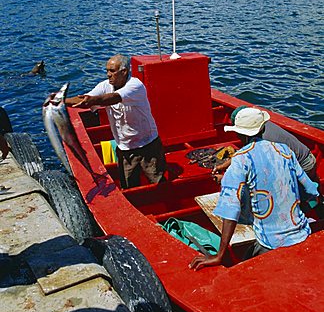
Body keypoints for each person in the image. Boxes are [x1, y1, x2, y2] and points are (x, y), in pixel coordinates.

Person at [190, 107, 319, 271]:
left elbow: (230, 211)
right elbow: (310, 190)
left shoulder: (240, 160)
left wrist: (219, 255)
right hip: (302, 233)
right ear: (263, 128)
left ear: (239, 134)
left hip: (270, 243)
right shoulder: (285, 150)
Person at [65, 54, 166, 189]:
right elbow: (85, 100)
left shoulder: (135, 86)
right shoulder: (105, 85)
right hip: (125, 148)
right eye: (107, 71)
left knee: (158, 183)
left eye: (112, 71)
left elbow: (111, 98)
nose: (108, 74)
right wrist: (60, 101)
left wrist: (92, 100)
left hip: (147, 145)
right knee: (129, 187)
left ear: (124, 72)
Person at [212, 105, 318, 183]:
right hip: (302, 159)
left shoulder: (264, 143)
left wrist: (225, 179)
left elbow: (256, 174)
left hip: (303, 166)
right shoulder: (261, 128)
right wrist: (223, 166)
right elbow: (245, 153)